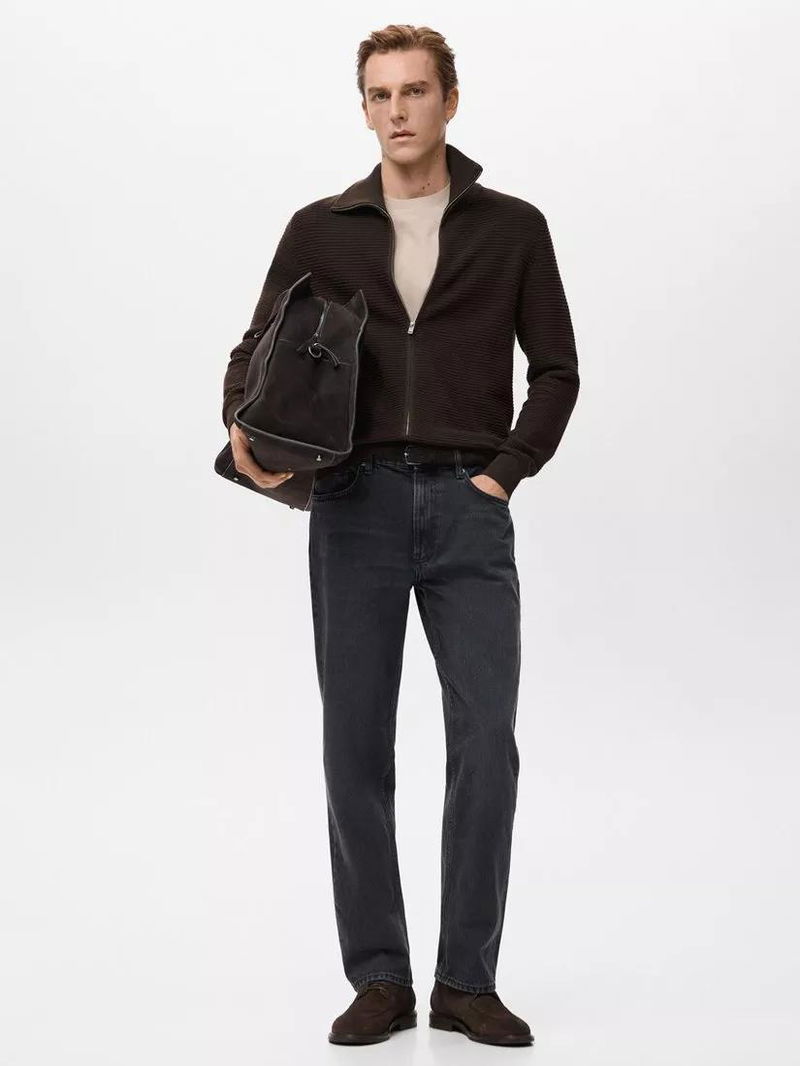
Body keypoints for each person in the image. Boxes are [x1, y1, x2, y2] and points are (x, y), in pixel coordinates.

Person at [221, 23, 579, 1047]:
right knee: (354, 744)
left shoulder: (512, 228)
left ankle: (466, 981)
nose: (397, 111)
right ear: (364, 108)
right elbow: (253, 354)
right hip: (355, 504)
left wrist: (503, 473)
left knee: (486, 743)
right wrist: (245, 434)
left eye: (415, 91)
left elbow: (556, 370)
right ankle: (379, 976)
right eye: (379, 95)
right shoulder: (320, 229)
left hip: (469, 506)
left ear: (449, 101)